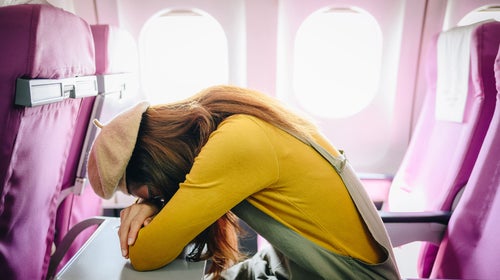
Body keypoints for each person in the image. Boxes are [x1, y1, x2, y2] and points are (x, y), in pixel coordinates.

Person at [87, 85, 400, 279]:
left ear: (155, 167)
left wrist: (154, 204)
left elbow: (144, 256)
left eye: (144, 191)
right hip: (292, 265)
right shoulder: (229, 120)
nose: (143, 199)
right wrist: (152, 202)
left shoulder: (236, 143)